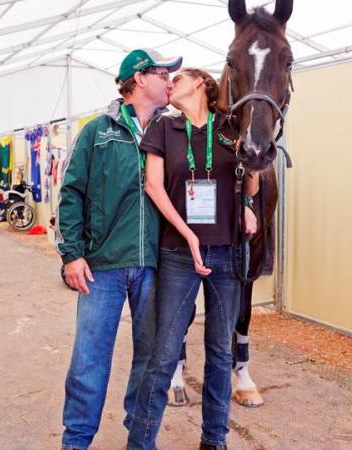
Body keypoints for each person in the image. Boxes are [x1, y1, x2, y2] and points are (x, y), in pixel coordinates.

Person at [55, 48, 182, 450]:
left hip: (156, 266)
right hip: (102, 265)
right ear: (139, 79)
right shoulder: (98, 131)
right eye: (163, 74)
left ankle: (141, 440)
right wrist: (72, 254)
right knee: (89, 361)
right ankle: (76, 442)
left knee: (151, 360)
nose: (170, 81)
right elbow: (71, 193)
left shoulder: (174, 133)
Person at [125, 68, 259, 450]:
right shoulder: (164, 129)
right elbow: (153, 185)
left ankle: (214, 440)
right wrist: (189, 234)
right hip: (179, 253)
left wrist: (249, 195)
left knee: (219, 352)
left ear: (200, 83)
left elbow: (249, 182)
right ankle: (140, 443)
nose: (170, 84)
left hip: (228, 252)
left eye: (178, 79)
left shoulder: (231, 129)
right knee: (164, 351)